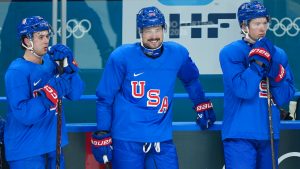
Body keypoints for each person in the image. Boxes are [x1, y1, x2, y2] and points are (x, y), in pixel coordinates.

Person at [91, 6, 216, 169]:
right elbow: (104, 99)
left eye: (157, 29)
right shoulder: (121, 57)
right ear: (140, 32)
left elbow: (191, 80)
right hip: (127, 138)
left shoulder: (177, 53)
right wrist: (102, 132)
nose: (154, 36)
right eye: (148, 30)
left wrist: (201, 103)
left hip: (161, 138)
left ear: (164, 29)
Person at [219, 1, 295, 169]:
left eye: (265, 23)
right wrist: (258, 64)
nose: (262, 28)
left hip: (269, 133)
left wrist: (275, 74)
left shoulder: (279, 54)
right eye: (257, 23)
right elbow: (243, 90)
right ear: (244, 25)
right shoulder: (230, 52)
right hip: (239, 133)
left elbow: (284, 96)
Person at [4, 16, 84, 169]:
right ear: (27, 41)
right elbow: (24, 114)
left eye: (47, 36)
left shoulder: (51, 62)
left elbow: (75, 94)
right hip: (26, 150)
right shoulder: (16, 72)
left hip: (53, 145)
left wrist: (69, 67)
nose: (46, 40)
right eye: (40, 37)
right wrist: (50, 93)